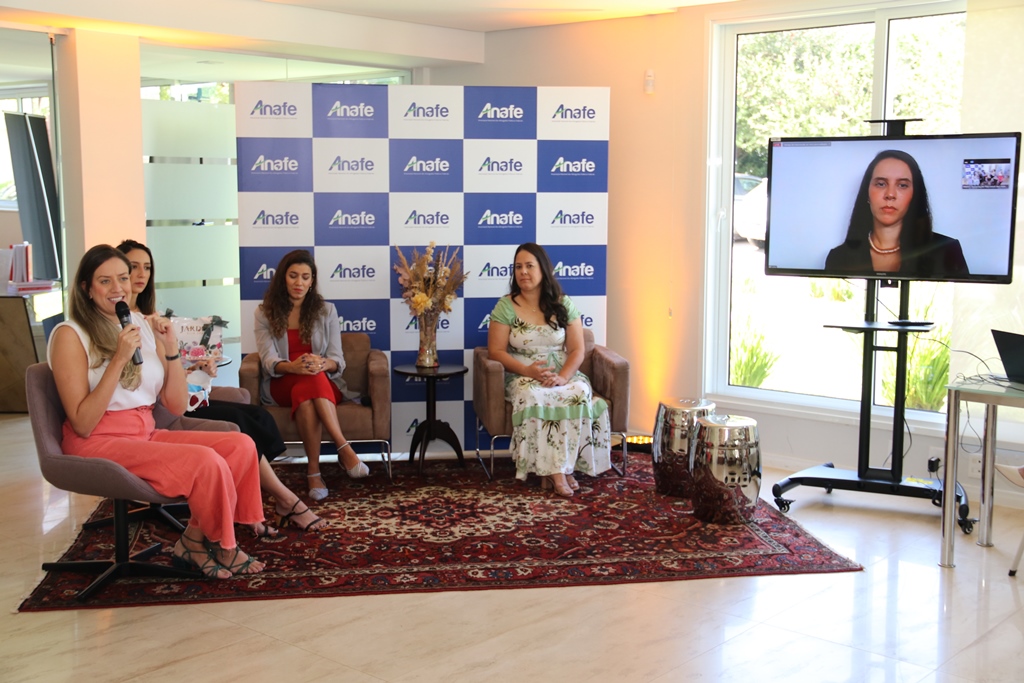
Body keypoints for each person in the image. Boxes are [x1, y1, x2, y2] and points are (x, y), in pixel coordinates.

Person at [48, 245, 265, 579]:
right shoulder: (70, 334)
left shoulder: (141, 324)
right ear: (86, 288)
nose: (118, 288)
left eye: (123, 278)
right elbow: (82, 423)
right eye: (105, 281)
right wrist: (119, 358)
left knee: (240, 445)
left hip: (143, 431)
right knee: (205, 461)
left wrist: (171, 348)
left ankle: (192, 540)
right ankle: (225, 546)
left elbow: (176, 406)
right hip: (96, 439)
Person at [116, 240, 326, 532]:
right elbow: (140, 379)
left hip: (177, 397)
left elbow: (166, 371)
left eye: (147, 268)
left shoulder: (152, 318)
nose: (141, 274)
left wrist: (196, 369)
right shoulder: (122, 325)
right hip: (159, 410)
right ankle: (283, 501)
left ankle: (254, 500)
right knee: (239, 425)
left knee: (257, 416)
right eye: (133, 268)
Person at [486, 242, 612, 497]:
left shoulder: (563, 304)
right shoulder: (506, 305)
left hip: (561, 371)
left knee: (577, 391)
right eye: (518, 267)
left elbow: (577, 349)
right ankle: (557, 472)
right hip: (523, 373)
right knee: (535, 395)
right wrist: (528, 371)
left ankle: (564, 467)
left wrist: (563, 377)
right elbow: (496, 351)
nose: (523, 272)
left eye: (529, 266)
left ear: (543, 270)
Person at [254, 249, 369, 501]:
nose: (299, 282)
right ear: (283, 278)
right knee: (308, 381)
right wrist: (292, 366)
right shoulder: (265, 312)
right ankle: (344, 449)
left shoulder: (326, 310)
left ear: (312, 281)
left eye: (305, 277)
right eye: (293, 275)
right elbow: (268, 359)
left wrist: (322, 363)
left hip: (321, 380)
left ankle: (313, 472)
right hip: (282, 381)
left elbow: (337, 359)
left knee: (309, 389)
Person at [824, 149, 969, 278]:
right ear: (867, 193)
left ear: (914, 195)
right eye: (881, 184)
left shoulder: (947, 251)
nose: (890, 194)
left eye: (902, 185)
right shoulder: (838, 258)